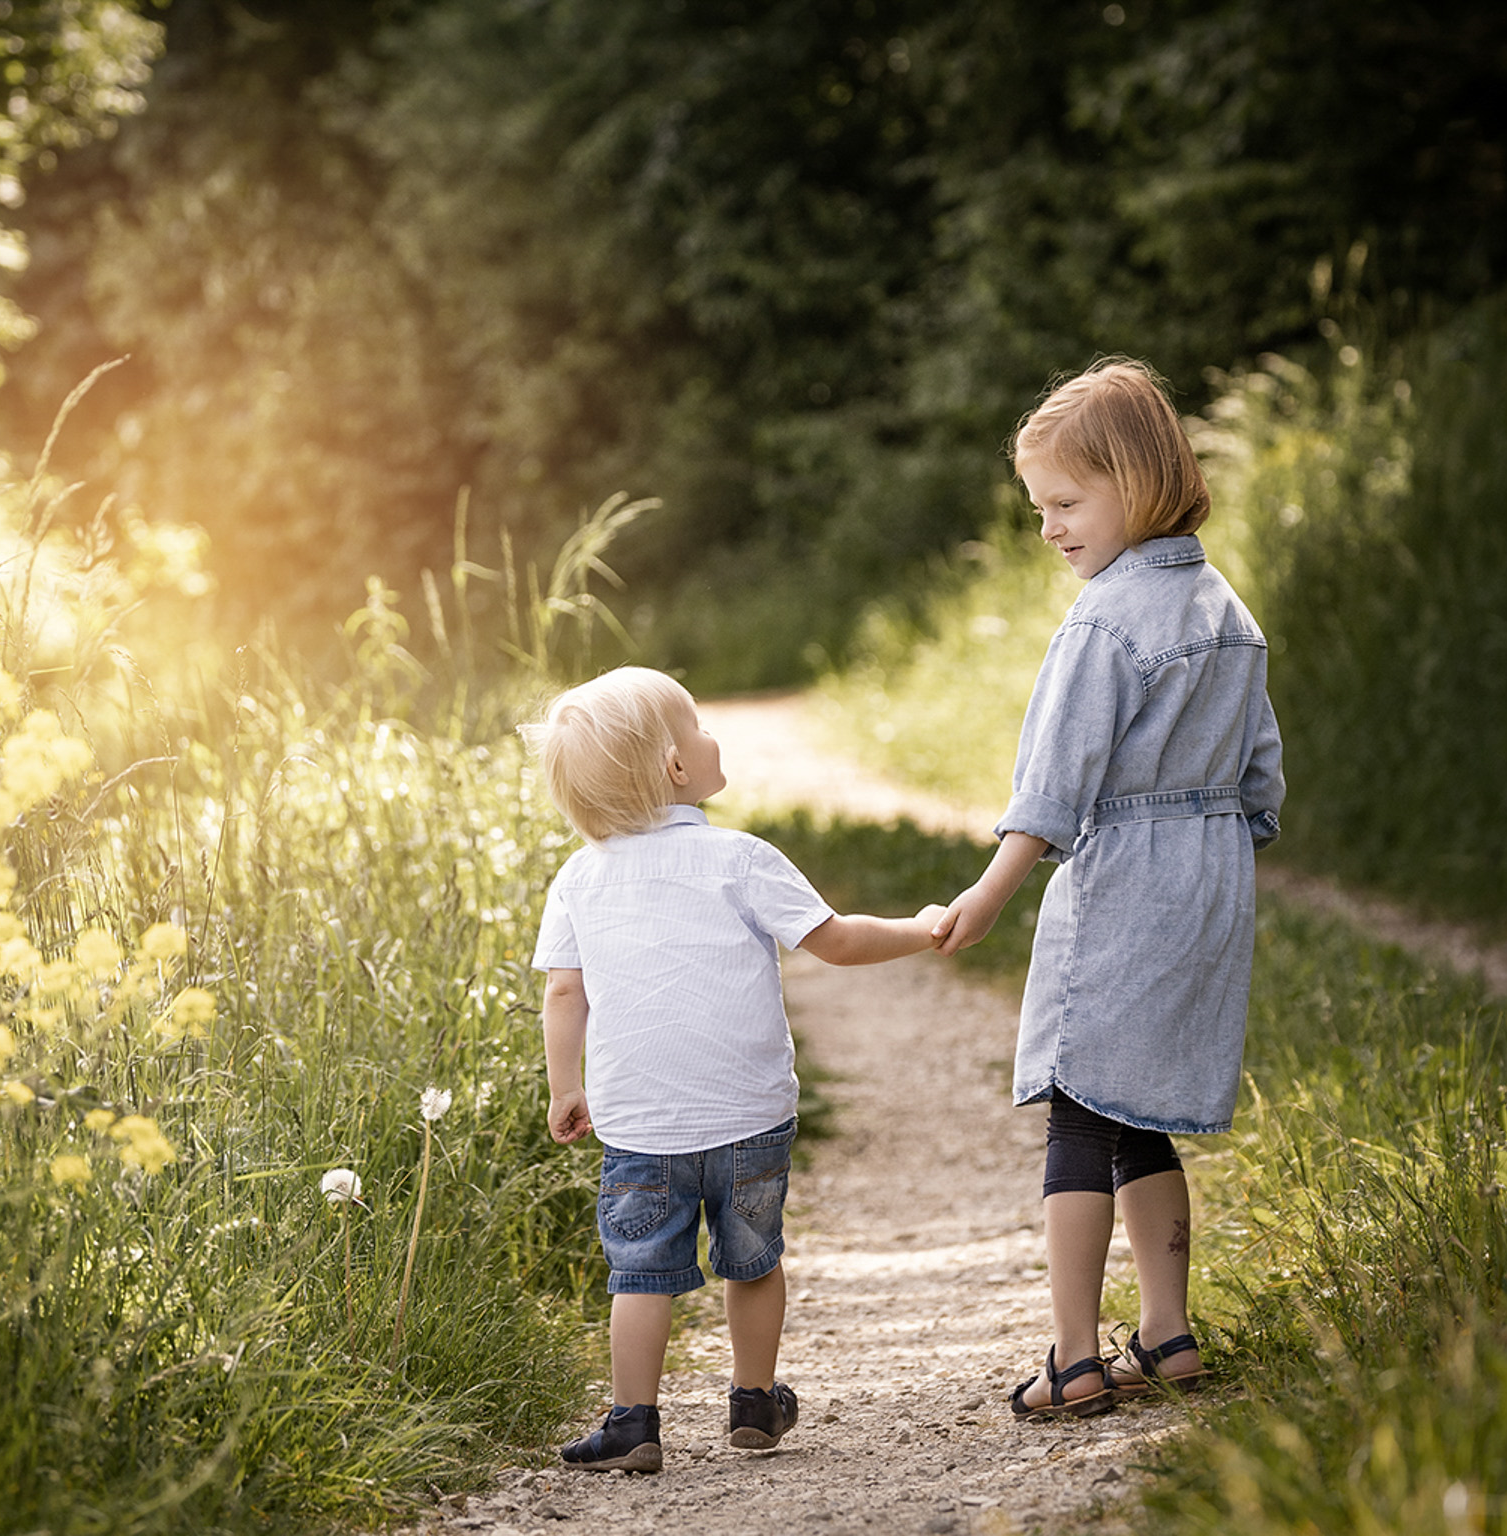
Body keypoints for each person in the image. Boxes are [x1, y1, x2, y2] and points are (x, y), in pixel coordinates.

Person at [934, 358, 1285, 1418]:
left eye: (1063, 502)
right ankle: (1167, 1334)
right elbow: (1259, 773)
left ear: (1134, 483)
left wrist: (993, 890)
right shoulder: (1225, 608)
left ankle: (1073, 1352)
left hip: (1127, 873)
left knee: (1080, 1109)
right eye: (1037, 507)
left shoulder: (1101, 622)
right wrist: (1220, 848)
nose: (1046, 529)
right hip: (1212, 875)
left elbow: (1053, 781)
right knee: (1143, 1111)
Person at [525, 666, 947, 1472]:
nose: (713, 737)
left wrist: (566, 1086)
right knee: (751, 1260)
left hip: (640, 1124)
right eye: (700, 726)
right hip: (749, 1116)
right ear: (679, 768)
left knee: (640, 1274)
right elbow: (840, 942)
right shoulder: (741, 857)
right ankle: (754, 1401)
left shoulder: (580, 876)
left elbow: (564, 990)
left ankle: (633, 1423)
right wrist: (922, 927)